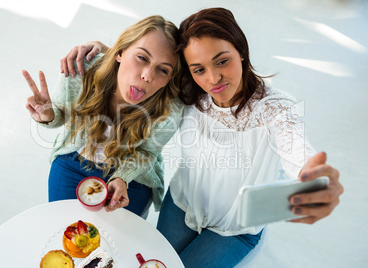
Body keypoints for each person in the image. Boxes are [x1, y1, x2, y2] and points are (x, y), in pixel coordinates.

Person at [61, 8, 343, 267]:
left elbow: (296, 148)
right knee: (149, 262)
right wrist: (101, 49)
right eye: (199, 69)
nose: (214, 79)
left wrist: (312, 176)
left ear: (241, 51)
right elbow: (146, 66)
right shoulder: (190, 92)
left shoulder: (277, 108)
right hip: (182, 205)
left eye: (223, 61)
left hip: (238, 227)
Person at [23, 15, 184, 217]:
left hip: (133, 178)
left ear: (169, 78)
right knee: (64, 227)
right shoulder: (80, 69)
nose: (147, 76)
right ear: (120, 52)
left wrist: (122, 178)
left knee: (118, 242)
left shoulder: (170, 108)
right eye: (142, 58)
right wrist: (47, 115)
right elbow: (60, 116)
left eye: (163, 70)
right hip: (73, 162)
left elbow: (147, 153)